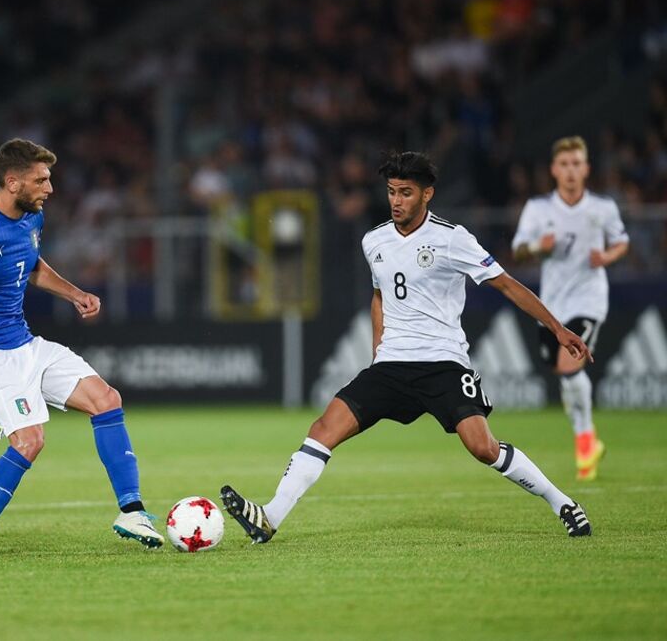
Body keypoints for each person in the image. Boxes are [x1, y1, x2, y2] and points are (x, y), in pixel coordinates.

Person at [221, 151, 594, 543]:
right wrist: (378, 349)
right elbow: (380, 296)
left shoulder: (452, 239)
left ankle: (561, 502)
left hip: (443, 363)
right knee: (323, 428)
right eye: (391, 192)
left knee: (482, 447)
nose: (397, 201)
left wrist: (556, 328)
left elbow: (506, 284)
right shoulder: (374, 241)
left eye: (406, 193)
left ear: (427, 195)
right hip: (392, 365)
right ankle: (270, 517)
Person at [0, 138, 163, 560]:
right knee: (29, 440)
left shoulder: (30, 218)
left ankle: (131, 512)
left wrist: (74, 293)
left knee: (106, 399)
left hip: (26, 343)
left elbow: (32, 266)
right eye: (41, 180)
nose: (50, 188)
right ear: (12, 182)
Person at [512, 136, 628, 480]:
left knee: (569, 363)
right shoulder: (539, 209)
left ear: (587, 169)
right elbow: (518, 250)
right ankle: (588, 436)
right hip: (551, 306)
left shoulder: (602, 208)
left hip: (589, 299)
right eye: (564, 165)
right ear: (554, 170)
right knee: (561, 371)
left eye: (577, 164)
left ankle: (585, 441)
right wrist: (538, 246)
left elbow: (621, 241)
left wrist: (607, 256)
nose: (571, 171)